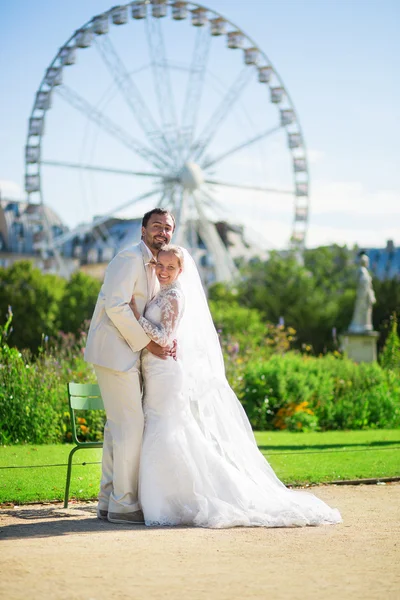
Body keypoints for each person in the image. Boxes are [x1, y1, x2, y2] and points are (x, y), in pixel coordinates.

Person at [129, 245, 342, 528]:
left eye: (170, 268)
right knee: (164, 428)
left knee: (165, 428)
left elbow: (165, 338)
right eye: (160, 266)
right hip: (155, 372)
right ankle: (168, 496)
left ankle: (171, 500)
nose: (164, 272)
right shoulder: (162, 294)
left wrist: (136, 317)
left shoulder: (176, 297)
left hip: (166, 374)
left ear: (181, 271)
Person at [84, 208, 176, 524]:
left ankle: (108, 501)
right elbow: (116, 306)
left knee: (117, 429)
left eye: (168, 228)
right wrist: (149, 343)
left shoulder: (154, 267)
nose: (162, 232)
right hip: (114, 353)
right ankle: (124, 504)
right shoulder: (128, 259)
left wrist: (163, 338)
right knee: (130, 426)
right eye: (156, 226)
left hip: (126, 354)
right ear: (142, 230)